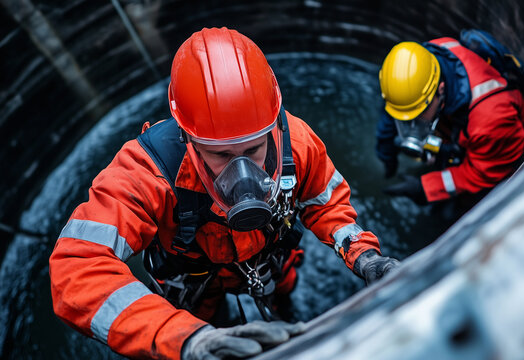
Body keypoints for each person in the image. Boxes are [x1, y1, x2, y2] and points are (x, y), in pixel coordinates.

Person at [49, 27, 400, 360]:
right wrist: (184, 337)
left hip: (270, 264)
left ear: (272, 126)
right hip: (194, 283)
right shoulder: (147, 173)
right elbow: (75, 270)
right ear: (188, 139)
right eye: (221, 155)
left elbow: (327, 204)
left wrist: (364, 255)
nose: (241, 171)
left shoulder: (296, 143)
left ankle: (282, 309)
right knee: (212, 332)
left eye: (252, 150)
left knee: (283, 299)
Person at [376, 37, 524, 209]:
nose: (411, 123)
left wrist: (425, 188)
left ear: (440, 90)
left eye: (418, 113)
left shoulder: (492, 117)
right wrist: (386, 150)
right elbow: (395, 109)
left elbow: (483, 172)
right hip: (457, 122)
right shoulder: (426, 61)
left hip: (494, 148)